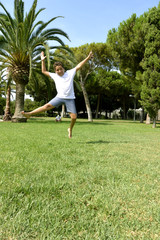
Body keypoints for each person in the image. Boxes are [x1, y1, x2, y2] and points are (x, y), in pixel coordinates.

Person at [22, 50, 94, 138]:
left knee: (74, 117)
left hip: (70, 98)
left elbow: (79, 65)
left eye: (60, 69)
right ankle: (29, 114)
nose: (59, 71)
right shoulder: (55, 75)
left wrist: (87, 57)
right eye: (57, 70)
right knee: (46, 106)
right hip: (59, 97)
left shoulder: (70, 73)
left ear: (63, 68)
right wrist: (42, 60)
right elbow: (44, 71)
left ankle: (70, 129)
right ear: (55, 71)